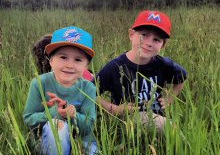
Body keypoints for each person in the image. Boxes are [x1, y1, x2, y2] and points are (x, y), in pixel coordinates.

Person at [94, 10, 187, 131]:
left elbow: (182, 77)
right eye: (144, 35)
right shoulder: (115, 67)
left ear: (163, 45)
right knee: (170, 128)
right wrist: (114, 109)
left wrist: (170, 98)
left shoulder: (163, 64)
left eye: (156, 40)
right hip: (129, 117)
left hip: (156, 113)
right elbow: (90, 93)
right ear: (131, 35)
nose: (149, 43)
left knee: (174, 126)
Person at [23, 26, 97, 155]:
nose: (69, 65)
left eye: (78, 59)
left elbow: (89, 127)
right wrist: (53, 113)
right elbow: (29, 119)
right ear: (50, 60)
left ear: (86, 66)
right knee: (57, 126)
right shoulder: (39, 83)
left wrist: (73, 115)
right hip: (46, 140)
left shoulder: (89, 88)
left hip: (80, 140)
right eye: (63, 57)